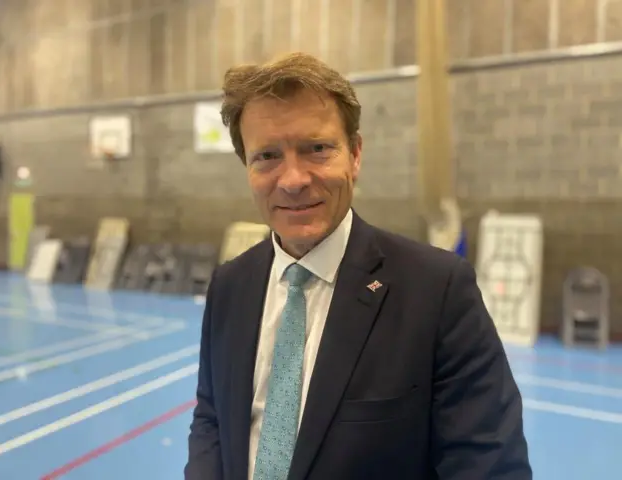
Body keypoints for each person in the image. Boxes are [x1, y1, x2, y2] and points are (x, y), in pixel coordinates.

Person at [185, 52, 532, 480]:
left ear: (355, 155)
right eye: (267, 156)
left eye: (317, 149)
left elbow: (488, 465)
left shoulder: (437, 291)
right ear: (247, 167)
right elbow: (212, 418)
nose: (292, 180)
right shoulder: (230, 285)